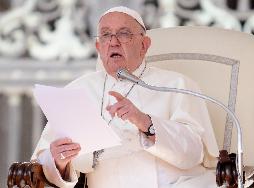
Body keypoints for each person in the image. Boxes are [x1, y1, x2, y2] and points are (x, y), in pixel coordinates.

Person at [31, 6, 219, 188]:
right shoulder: (77, 91)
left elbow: (193, 154)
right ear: (99, 46)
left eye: (124, 34)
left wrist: (145, 122)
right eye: (105, 35)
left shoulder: (178, 85)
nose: (113, 42)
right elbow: (45, 164)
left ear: (144, 45)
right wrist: (59, 161)